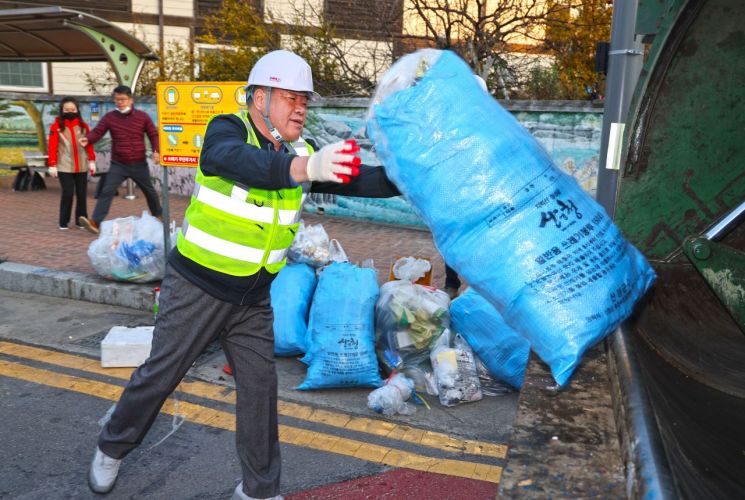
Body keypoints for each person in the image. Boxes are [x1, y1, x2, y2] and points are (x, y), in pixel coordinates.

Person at [87, 50, 400, 499]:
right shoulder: (228, 130)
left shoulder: (302, 151)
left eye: (304, 101)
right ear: (259, 97)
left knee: (260, 393)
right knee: (162, 372)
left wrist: (411, 177)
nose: (300, 108)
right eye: (291, 97)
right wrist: (302, 168)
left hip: (253, 298)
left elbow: (363, 179)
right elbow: (232, 160)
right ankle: (112, 445)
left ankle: (258, 489)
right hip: (197, 286)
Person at [78, 85, 162, 234]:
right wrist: (88, 139)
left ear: (130, 100)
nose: (119, 103)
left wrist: (156, 151)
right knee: (107, 191)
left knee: (150, 191)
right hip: (118, 164)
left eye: (123, 99)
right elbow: (98, 131)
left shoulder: (143, 117)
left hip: (139, 164)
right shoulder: (110, 117)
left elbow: (153, 135)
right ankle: (95, 222)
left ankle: (159, 217)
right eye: (117, 100)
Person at [46, 96, 97, 230]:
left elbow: (89, 145)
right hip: (64, 166)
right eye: (67, 109)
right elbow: (52, 146)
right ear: (62, 111)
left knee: (82, 195)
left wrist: (92, 161)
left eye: (72, 109)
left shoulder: (83, 126)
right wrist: (52, 164)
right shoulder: (56, 126)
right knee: (68, 193)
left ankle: (81, 220)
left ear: (77, 110)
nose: (70, 111)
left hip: (81, 166)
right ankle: (63, 221)